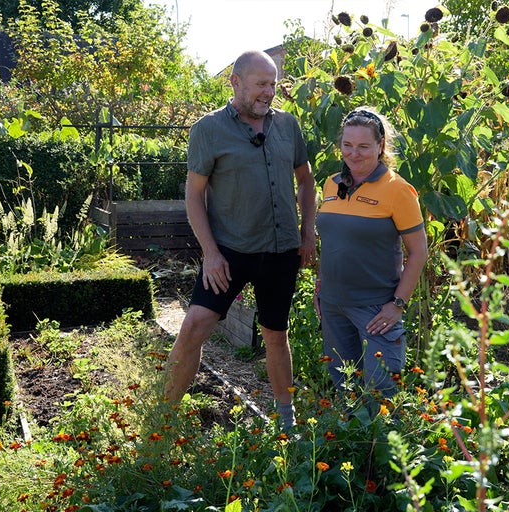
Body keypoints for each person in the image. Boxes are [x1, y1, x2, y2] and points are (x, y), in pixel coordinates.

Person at [164, 50, 316, 430]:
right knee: (195, 326)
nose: (269, 92)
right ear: (236, 82)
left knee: (276, 335)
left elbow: (306, 180)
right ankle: (161, 418)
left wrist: (307, 230)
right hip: (229, 252)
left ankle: (286, 424)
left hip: (281, 250)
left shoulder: (287, 126)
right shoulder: (209, 129)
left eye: (273, 84)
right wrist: (210, 253)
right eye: (261, 84)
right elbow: (194, 196)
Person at [314, 107, 428, 398]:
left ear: (380, 146)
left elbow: (418, 252)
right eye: (347, 145)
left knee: (381, 393)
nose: (354, 154)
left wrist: (397, 304)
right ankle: (351, 444)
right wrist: (320, 286)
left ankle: (383, 445)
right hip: (332, 306)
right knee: (345, 389)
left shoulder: (398, 190)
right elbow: (330, 240)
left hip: (375, 310)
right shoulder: (332, 184)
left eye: (364, 146)